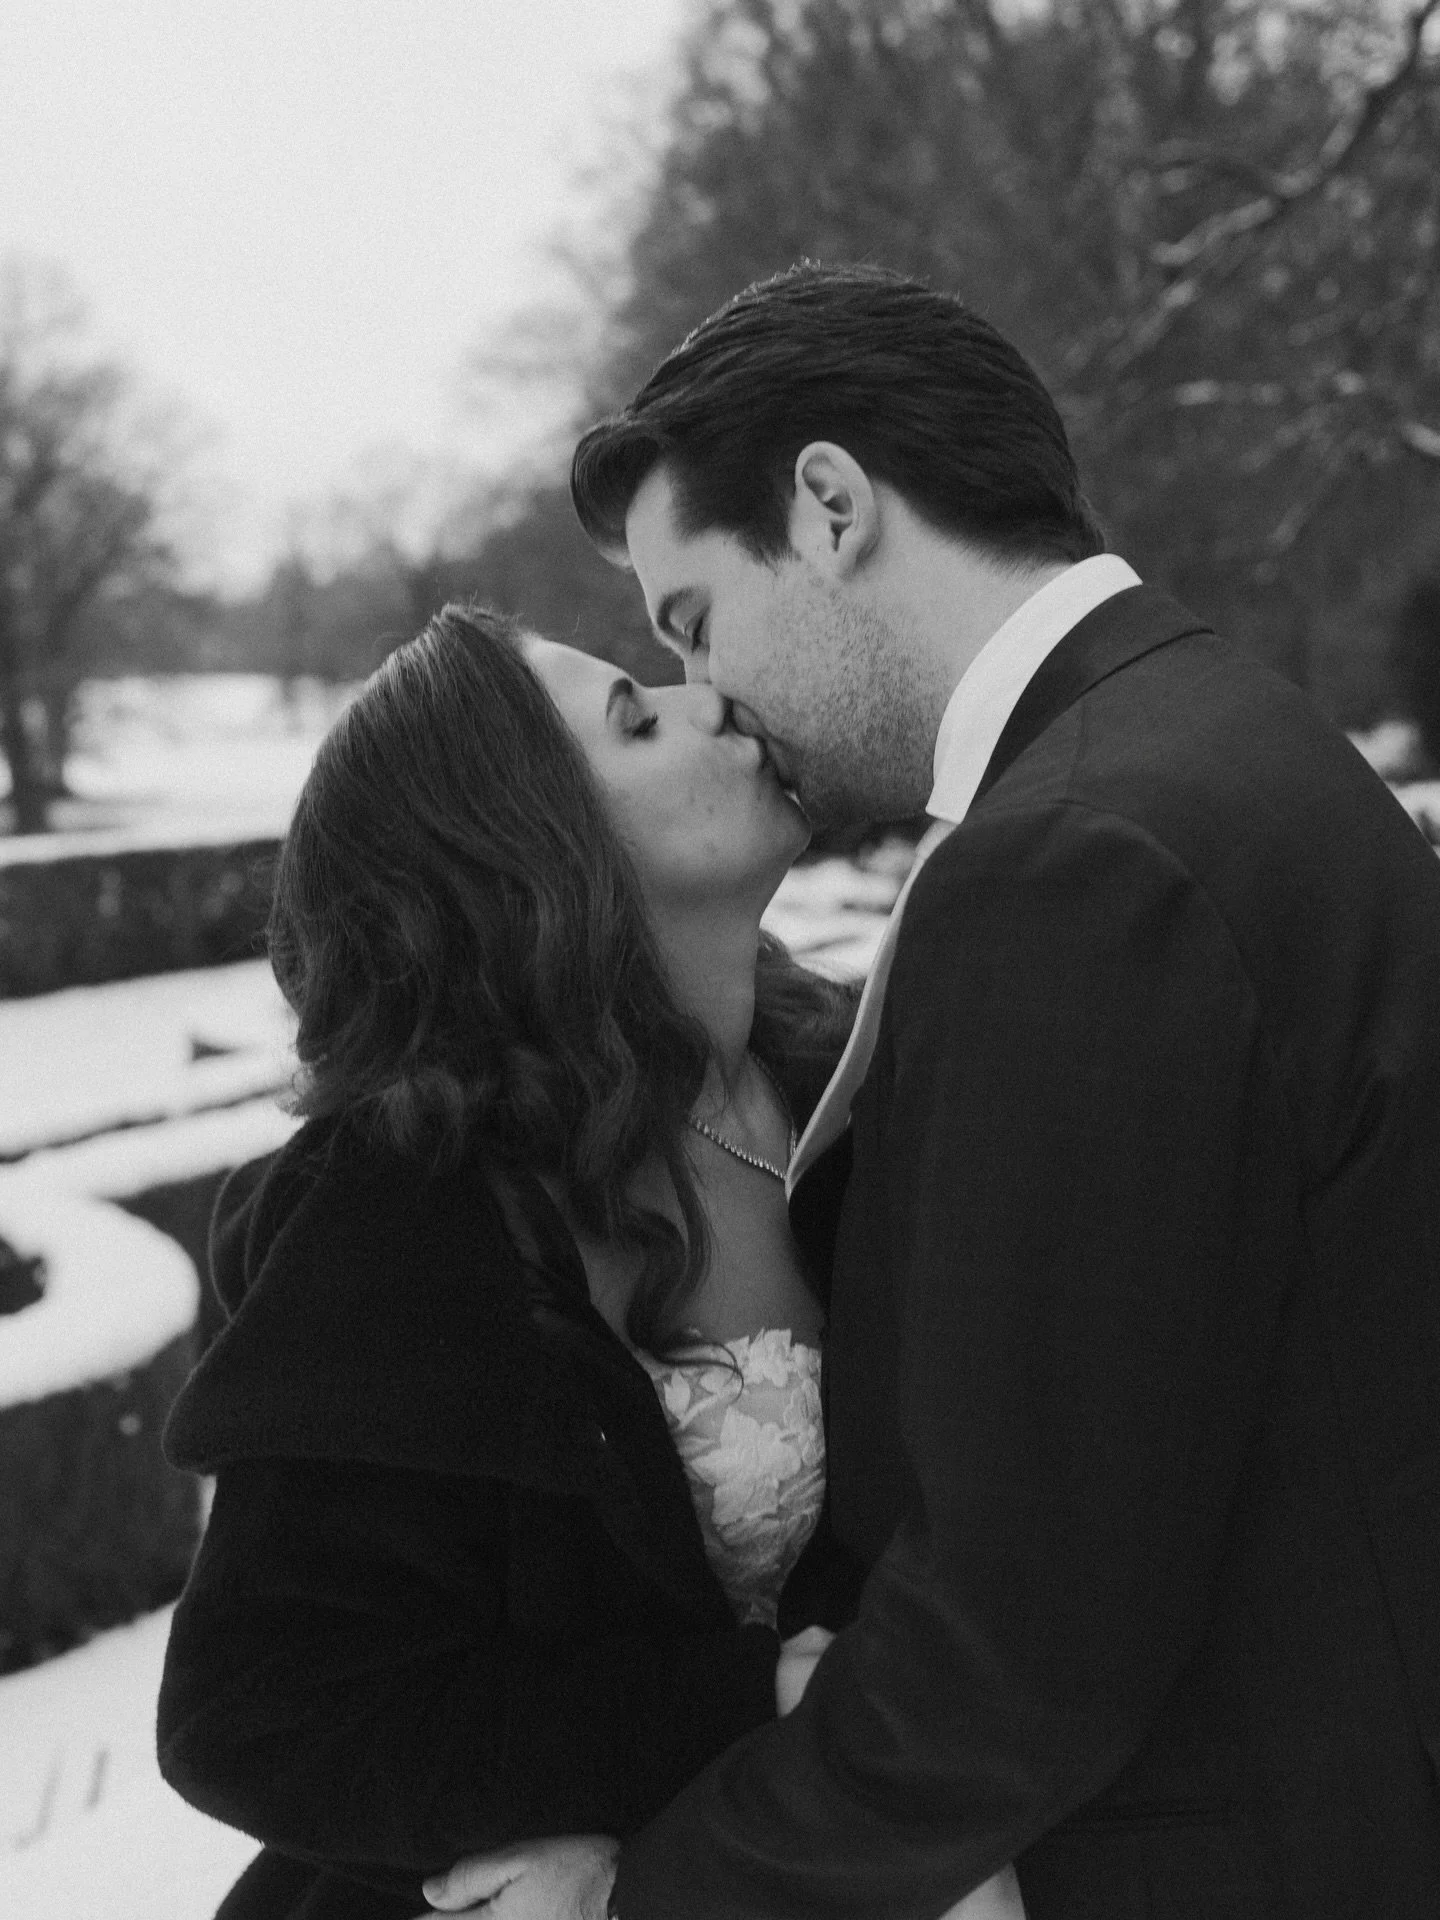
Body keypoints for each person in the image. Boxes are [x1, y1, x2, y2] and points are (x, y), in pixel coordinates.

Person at [432, 262, 1440, 1918]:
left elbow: (1032, 1630)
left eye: (695, 620)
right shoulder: (1231, 739)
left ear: (829, 506)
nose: (712, 694)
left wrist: (652, 1899)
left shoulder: (1075, 863)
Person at [156, 602, 888, 1919]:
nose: (709, 701)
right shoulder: (407, 1202)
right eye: (632, 716)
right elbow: (259, 1714)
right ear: (525, 849)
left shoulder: (849, 1077)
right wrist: (722, 1715)